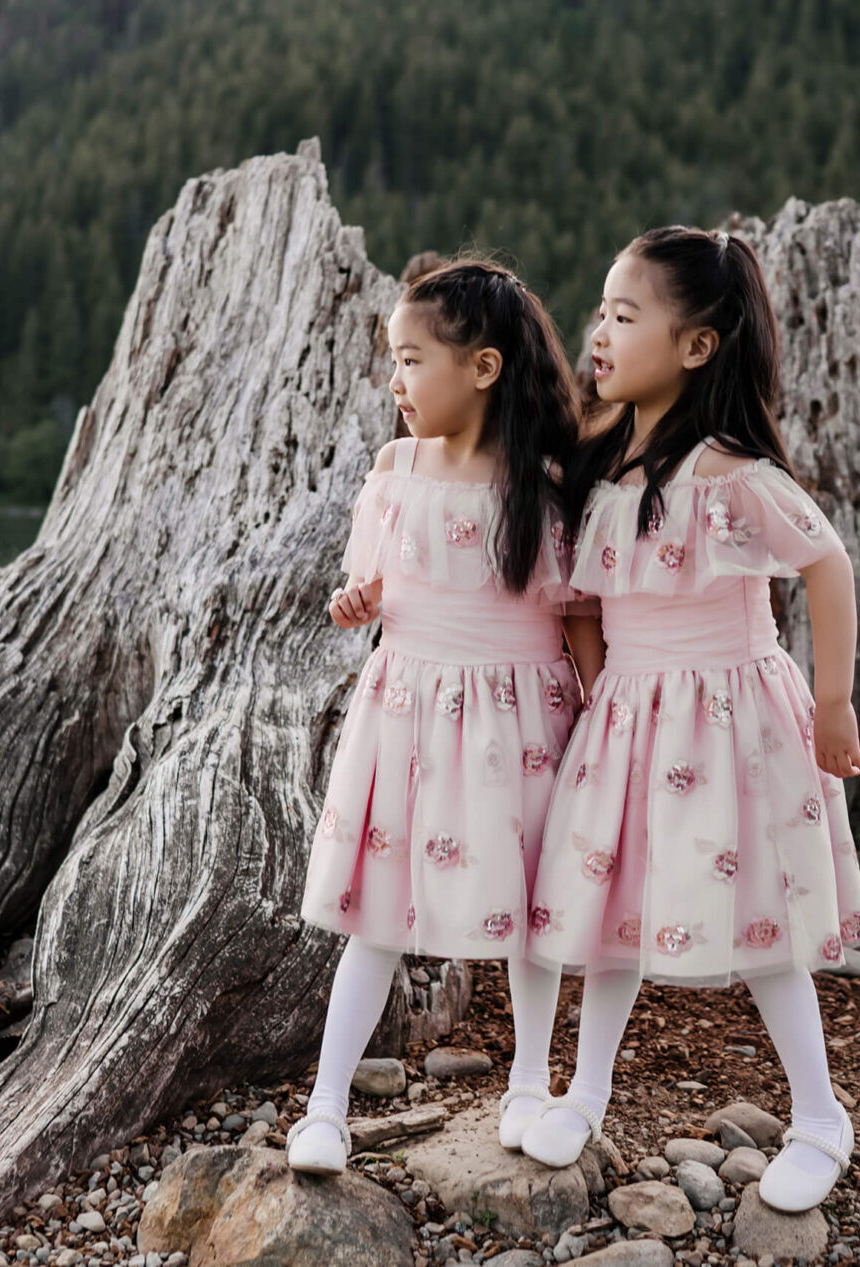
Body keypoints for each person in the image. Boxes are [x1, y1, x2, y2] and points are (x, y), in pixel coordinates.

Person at [521, 227, 860, 1213]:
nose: (598, 332)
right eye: (598, 310)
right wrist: (595, 694)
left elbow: (827, 563)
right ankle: (583, 1089)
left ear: (696, 345)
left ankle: (818, 1114)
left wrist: (834, 699)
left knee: (761, 923)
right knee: (609, 910)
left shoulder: (730, 476)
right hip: (632, 719)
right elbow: (586, 607)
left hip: (729, 719)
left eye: (624, 314)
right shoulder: (605, 475)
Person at [289, 258, 583, 1174]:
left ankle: (529, 1083)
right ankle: (327, 1104)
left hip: (519, 718)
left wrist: (604, 724)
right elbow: (379, 582)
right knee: (376, 914)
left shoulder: (544, 481)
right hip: (410, 710)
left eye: (413, 359)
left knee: (532, 911)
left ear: (484, 367)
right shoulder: (396, 467)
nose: (396, 380)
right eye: (394, 361)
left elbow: (575, 616)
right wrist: (360, 601)